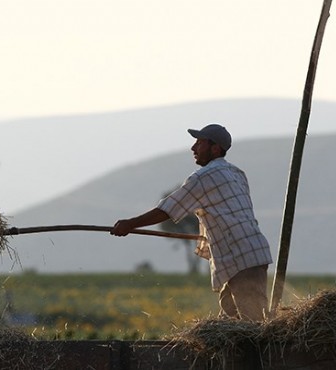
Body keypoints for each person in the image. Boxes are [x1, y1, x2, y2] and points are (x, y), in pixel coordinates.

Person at [111, 124, 272, 321]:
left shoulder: (204, 177)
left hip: (240, 257)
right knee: (230, 316)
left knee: (253, 322)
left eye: (199, 143)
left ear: (215, 148)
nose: (193, 148)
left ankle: (264, 352)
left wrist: (130, 224)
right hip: (251, 253)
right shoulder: (237, 173)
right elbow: (227, 214)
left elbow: (168, 209)